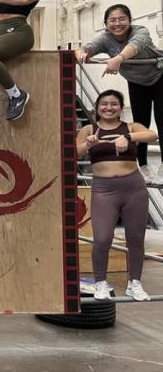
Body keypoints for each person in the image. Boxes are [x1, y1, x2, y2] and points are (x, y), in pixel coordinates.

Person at [75, 90, 156, 301]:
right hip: (104, 189)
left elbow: (152, 135)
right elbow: (74, 153)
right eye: (104, 104)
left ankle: (135, 283)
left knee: (136, 239)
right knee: (102, 238)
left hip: (133, 188)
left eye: (114, 104)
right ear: (97, 106)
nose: (109, 107)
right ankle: (100, 282)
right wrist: (88, 144)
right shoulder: (88, 129)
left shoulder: (130, 127)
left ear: (120, 108)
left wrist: (127, 137)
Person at [77, 4, 163, 182]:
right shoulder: (106, 39)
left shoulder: (140, 31)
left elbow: (135, 45)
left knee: (162, 120)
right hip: (137, 82)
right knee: (141, 122)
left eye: (122, 19)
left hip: (159, 75)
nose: (118, 23)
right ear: (106, 24)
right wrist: (81, 53)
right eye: (112, 20)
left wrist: (119, 58)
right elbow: (87, 47)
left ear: (130, 21)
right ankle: (144, 166)